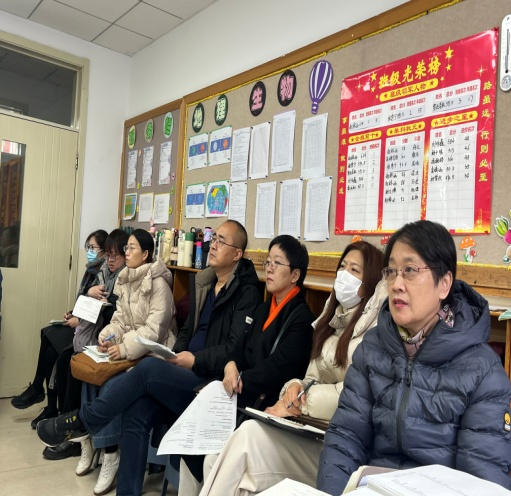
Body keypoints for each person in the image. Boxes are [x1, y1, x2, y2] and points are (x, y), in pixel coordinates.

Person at [37, 220, 261, 496]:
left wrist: (194, 360)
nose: (213, 245)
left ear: (237, 254)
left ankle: (84, 421)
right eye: (214, 238)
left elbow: (234, 349)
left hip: (210, 384)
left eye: (221, 241)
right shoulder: (207, 282)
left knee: (147, 368)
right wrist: (176, 354)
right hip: (185, 370)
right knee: (136, 412)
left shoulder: (246, 293)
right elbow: (187, 330)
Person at [317, 220, 511, 494]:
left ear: (444, 284)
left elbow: (482, 478)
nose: (396, 284)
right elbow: (346, 438)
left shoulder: (483, 370)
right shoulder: (373, 347)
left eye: (410, 270)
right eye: (391, 271)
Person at [189, 241, 386, 496]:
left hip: (334, 438)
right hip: (306, 425)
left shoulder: (371, 332)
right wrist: (295, 385)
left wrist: (300, 400)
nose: (343, 275)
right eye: (342, 267)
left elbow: (351, 394)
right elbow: (310, 377)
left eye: (354, 270)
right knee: (212, 455)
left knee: (246, 437)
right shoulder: (329, 322)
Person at [75, 227, 178, 496]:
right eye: (126, 248)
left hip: (153, 354)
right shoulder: (125, 279)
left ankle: (111, 454)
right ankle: (91, 441)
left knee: (111, 384)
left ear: (145, 254)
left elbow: (154, 332)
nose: (127, 252)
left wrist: (122, 347)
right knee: (90, 374)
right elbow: (120, 320)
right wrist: (107, 336)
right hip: (130, 351)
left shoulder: (159, 285)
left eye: (131, 248)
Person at [43, 228, 128, 462]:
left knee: (72, 364)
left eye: (115, 255)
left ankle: (73, 434)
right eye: (107, 254)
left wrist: (100, 303)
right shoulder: (102, 273)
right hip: (93, 335)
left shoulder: (125, 278)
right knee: (63, 359)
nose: (110, 260)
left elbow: (117, 315)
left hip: (109, 339)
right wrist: (87, 298)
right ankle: (62, 422)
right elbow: (88, 306)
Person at [11, 229, 108, 427]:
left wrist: (79, 320)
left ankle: (41, 393)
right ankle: (46, 402)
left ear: (104, 251)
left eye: (93, 247)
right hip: (81, 323)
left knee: (52, 348)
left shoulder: (103, 274)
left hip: (89, 330)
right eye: (88, 247)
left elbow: (100, 310)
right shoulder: (90, 271)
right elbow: (84, 303)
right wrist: (73, 313)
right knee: (46, 335)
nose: (89, 251)